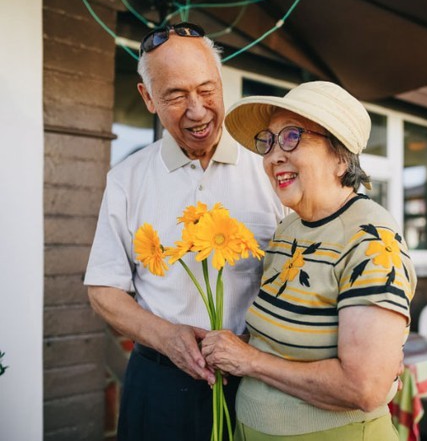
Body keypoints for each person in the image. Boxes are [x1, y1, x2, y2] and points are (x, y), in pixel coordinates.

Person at [84, 22, 285, 441]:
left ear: (222, 81)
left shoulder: (272, 168)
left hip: (259, 384)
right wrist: (167, 337)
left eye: (207, 89)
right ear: (148, 98)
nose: (197, 111)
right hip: (159, 385)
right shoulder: (127, 179)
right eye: (176, 95)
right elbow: (103, 290)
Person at [201, 81, 417, 440]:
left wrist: (249, 360)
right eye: (268, 142)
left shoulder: (371, 238)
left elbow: (364, 388)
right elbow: (282, 339)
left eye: (291, 137)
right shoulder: (289, 228)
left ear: (339, 155)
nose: (272, 157)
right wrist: (230, 346)